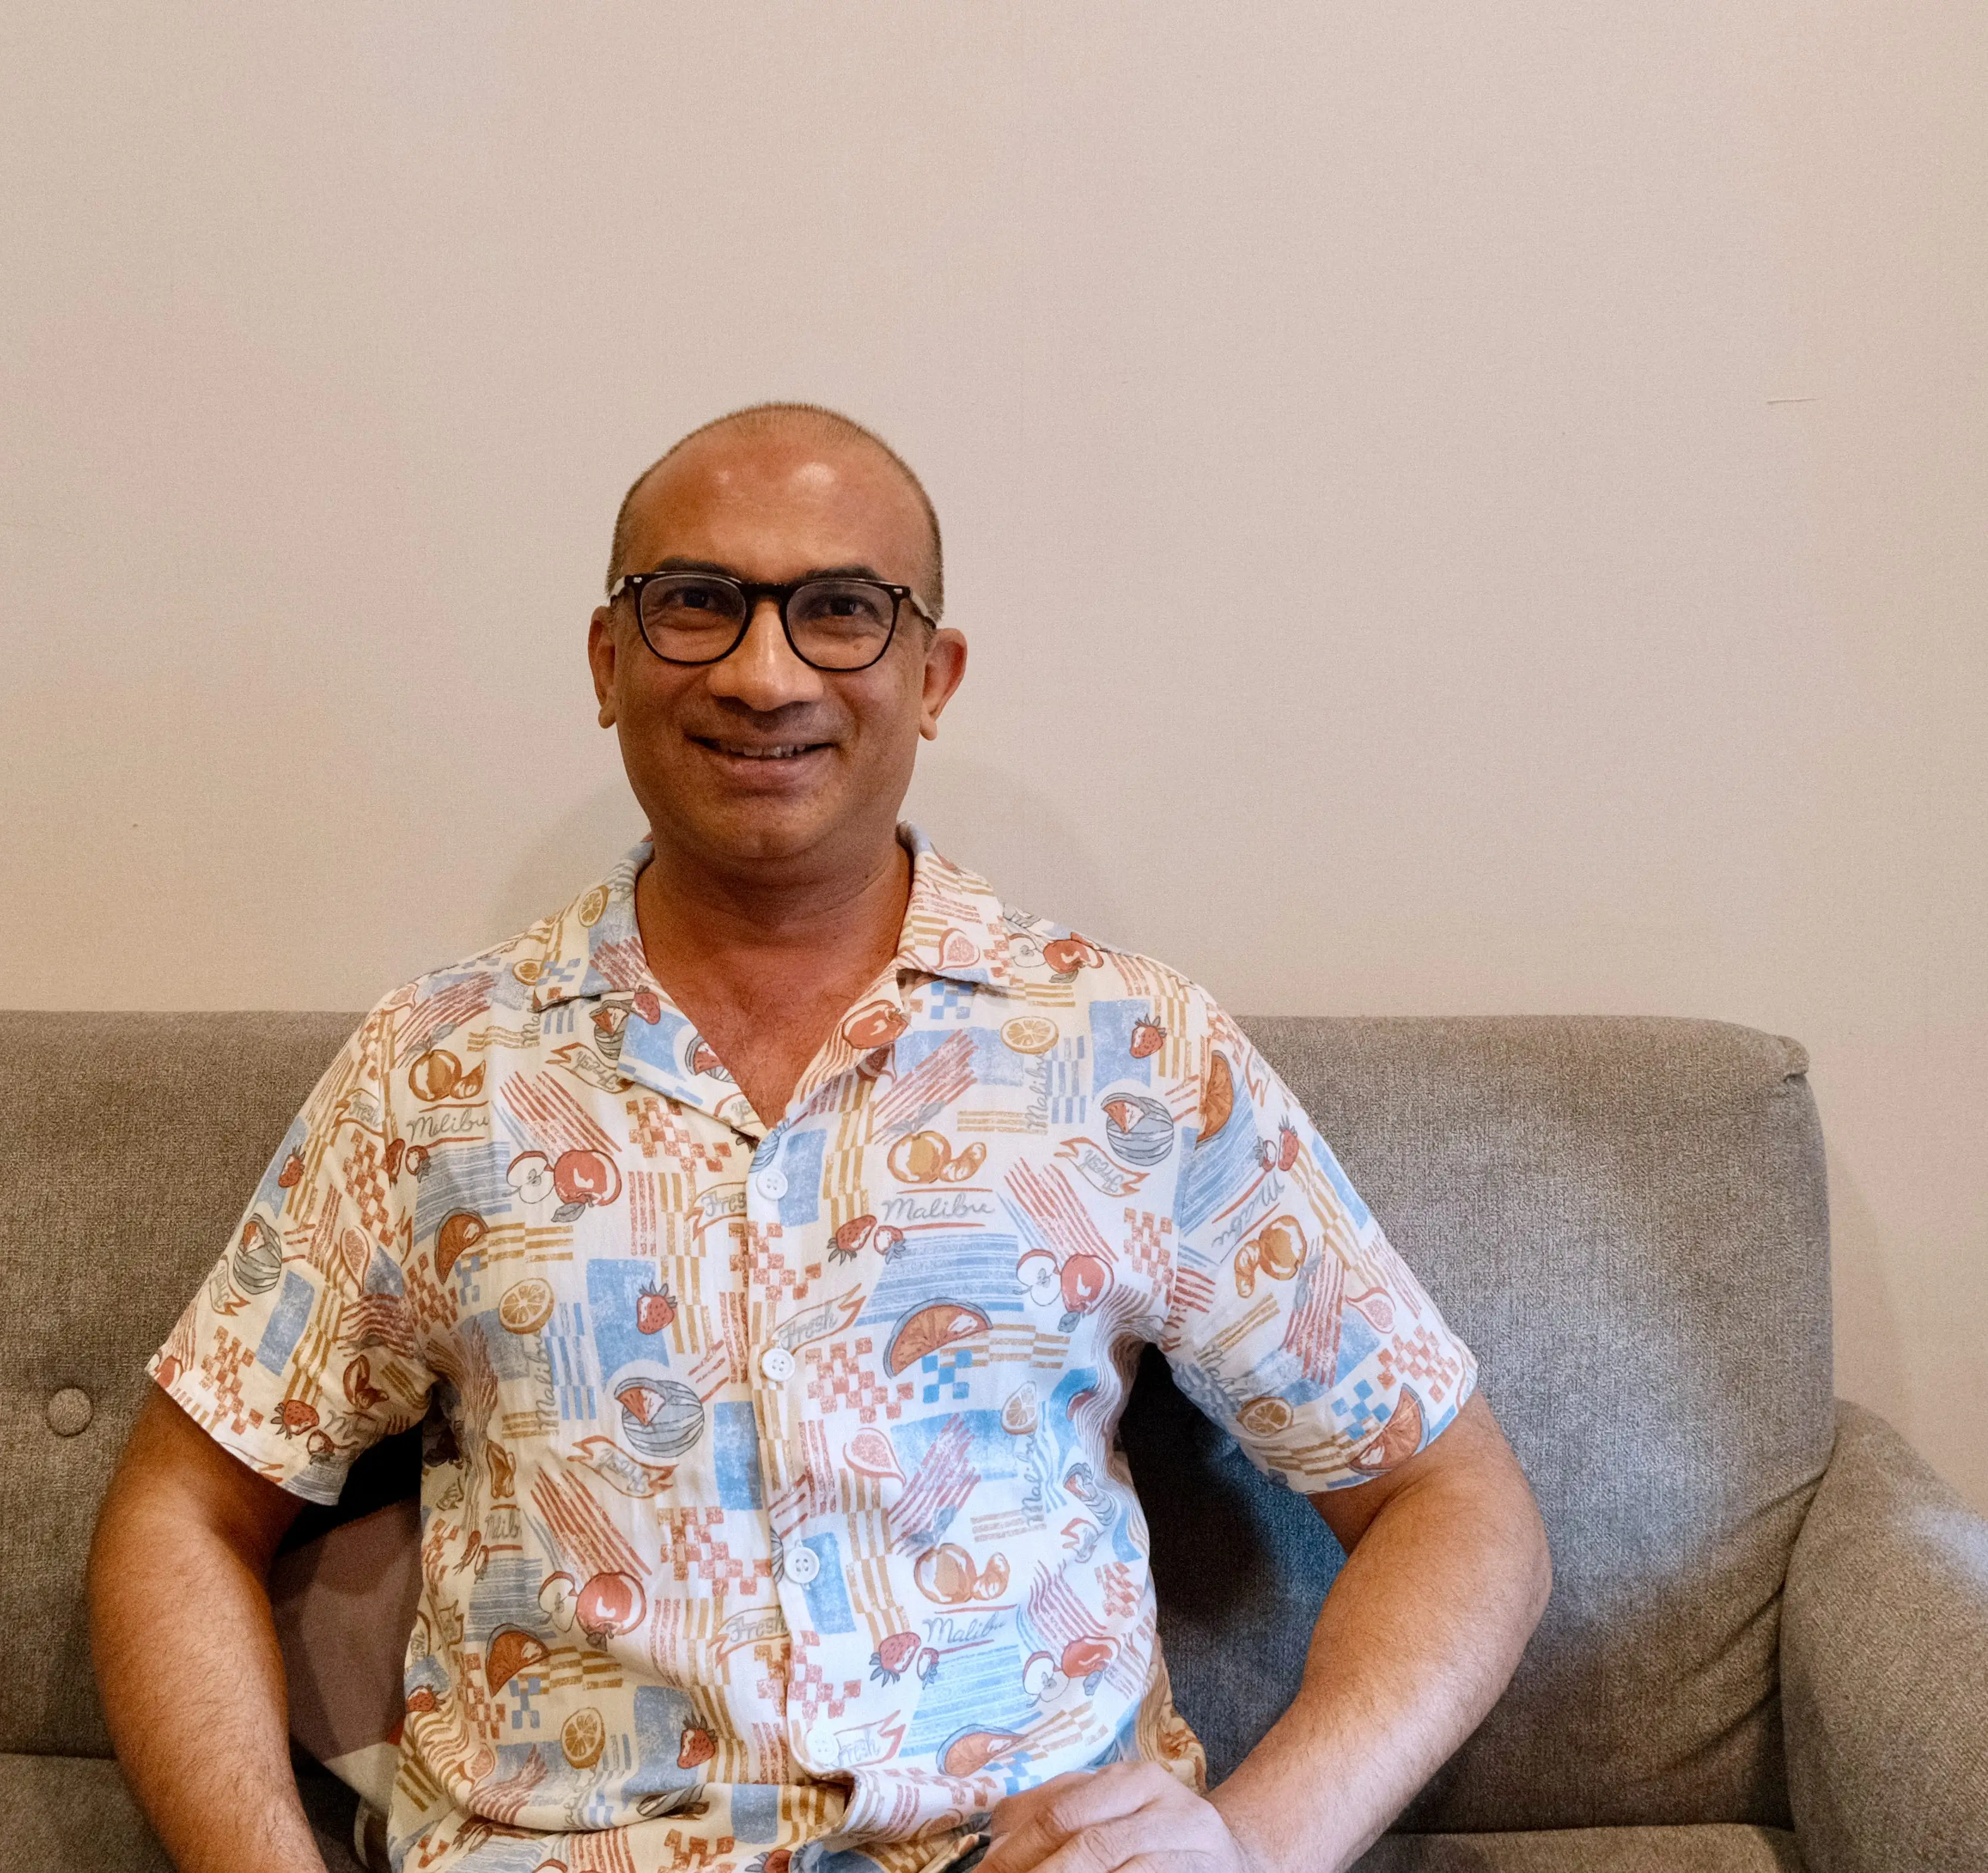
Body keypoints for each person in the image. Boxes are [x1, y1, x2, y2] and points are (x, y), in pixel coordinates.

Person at [88, 404, 1552, 1873]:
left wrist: (1260, 1843)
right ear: (609, 661)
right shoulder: (436, 1068)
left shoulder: (1132, 1050)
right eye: (697, 604)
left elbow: (1453, 1497)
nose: (763, 669)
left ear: (934, 676)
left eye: (842, 610)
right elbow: (181, 1508)